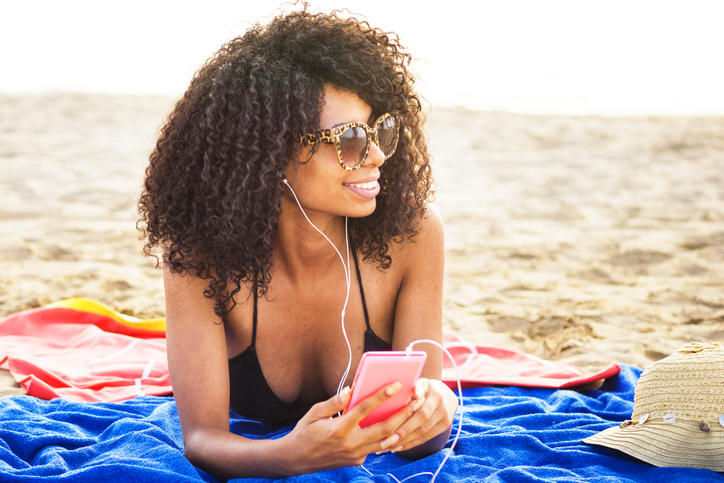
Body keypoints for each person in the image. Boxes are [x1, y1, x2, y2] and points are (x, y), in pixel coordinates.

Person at [137, 5, 457, 480]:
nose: (374, 156)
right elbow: (202, 440)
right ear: (270, 150)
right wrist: (289, 456)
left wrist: (440, 407)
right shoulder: (201, 256)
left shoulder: (412, 235)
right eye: (348, 138)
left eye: (381, 130)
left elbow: (418, 443)